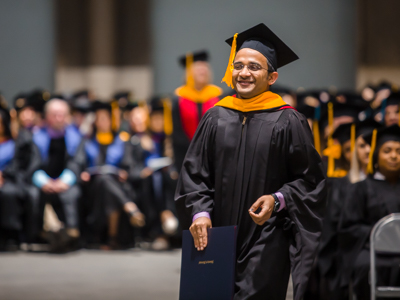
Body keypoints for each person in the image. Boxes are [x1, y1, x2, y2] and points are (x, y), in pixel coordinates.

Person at [175, 23, 326, 300]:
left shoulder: (288, 120)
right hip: (216, 233)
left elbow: (310, 180)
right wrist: (199, 213)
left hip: (266, 236)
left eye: (254, 67)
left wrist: (278, 198)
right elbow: (194, 173)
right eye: (238, 65)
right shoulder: (215, 117)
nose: (244, 73)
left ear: (272, 77)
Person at [315, 120, 381, 299]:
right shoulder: (341, 185)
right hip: (348, 254)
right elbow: (333, 231)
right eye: (361, 145)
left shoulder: (386, 185)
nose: (368, 150)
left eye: (372, 144)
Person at [72, 100, 145, 249]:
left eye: (106, 118)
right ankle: (128, 207)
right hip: (92, 187)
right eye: (99, 118)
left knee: (106, 181)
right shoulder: (87, 140)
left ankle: (111, 237)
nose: (102, 122)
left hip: (115, 183)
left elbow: (128, 164)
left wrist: (124, 172)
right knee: (103, 181)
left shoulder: (121, 140)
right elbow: (78, 163)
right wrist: (83, 173)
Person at [339, 125, 400, 299]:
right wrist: (382, 235)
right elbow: (349, 228)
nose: (394, 156)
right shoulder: (361, 189)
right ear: (376, 155)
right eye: (387, 151)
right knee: (365, 267)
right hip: (373, 250)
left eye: (398, 151)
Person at [31, 98, 82, 250]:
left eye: (62, 114)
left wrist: (64, 180)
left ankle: (71, 233)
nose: (59, 118)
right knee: (33, 194)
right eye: (55, 114)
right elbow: (33, 164)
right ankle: (40, 236)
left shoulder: (75, 137)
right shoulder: (36, 137)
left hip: (66, 181)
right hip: (43, 181)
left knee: (72, 194)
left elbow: (77, 162)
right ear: (46, 116)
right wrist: (43, 181)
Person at [171, 50, 222, 172]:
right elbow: (176, 131)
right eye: (198, 67)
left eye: (205, 67)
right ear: (189, 72)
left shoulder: (218, 96)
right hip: (186, 154)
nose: (202, 70)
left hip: (214, 154)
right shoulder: (178, 98)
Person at [0, 102, 40, 249]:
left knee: (8, 193)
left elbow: (18, 164)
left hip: (9, 179)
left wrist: (3, 174)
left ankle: (10, 235)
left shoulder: (16, 141)